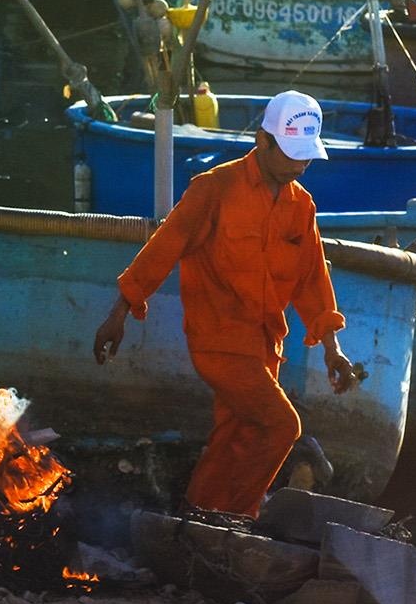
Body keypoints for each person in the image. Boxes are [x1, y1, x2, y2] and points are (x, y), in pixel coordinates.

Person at [90, 90, 356, 518]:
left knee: (237, 432)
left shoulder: (301, 206)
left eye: (307, 155)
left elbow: (312, 280)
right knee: (282, 425)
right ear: (262, 141)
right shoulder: (214, 188)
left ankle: (194, 518)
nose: (301, 164)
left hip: (265, 344)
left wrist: (332, 348)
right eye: (291, 153)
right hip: (217, 339)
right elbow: (164, 248)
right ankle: (234, 518)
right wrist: (119, 311)